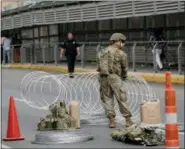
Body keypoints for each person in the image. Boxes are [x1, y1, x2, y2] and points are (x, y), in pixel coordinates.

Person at [97, 33, 133, 128]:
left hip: (103, 77)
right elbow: (124, 68)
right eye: (122, 42)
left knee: (107, 98)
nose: (123, 44)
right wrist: (124, 76)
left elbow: (99, 65)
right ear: (118, 41)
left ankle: (111, 121)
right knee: (121, 98)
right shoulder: (121, 53)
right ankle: (128, 120)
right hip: (115, 77)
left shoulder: (102, 51)